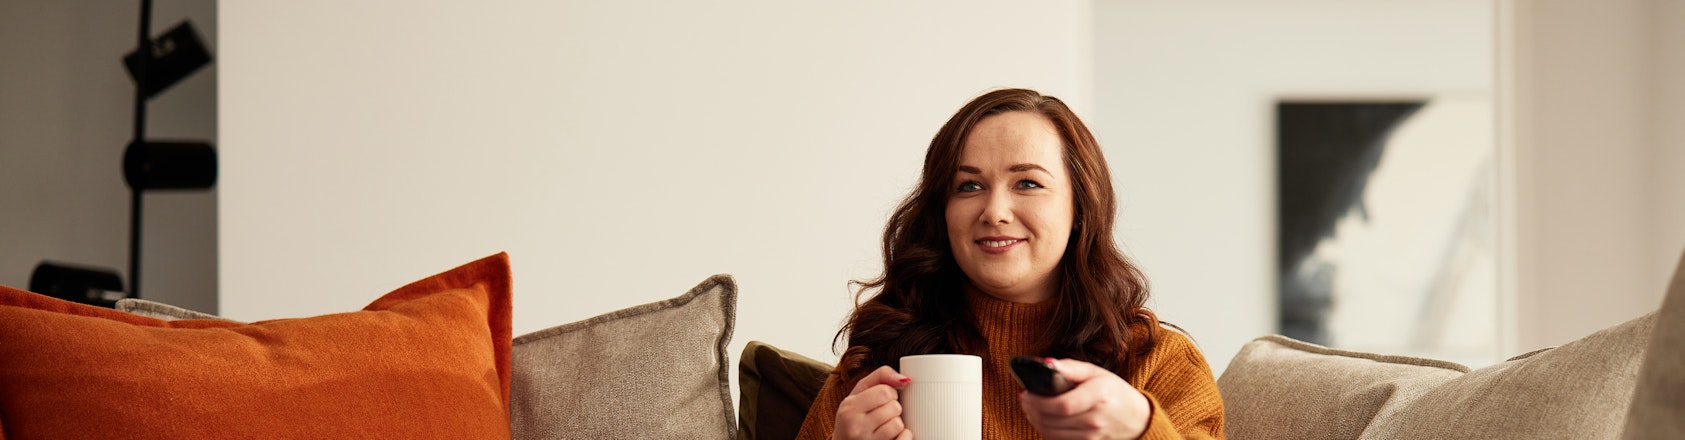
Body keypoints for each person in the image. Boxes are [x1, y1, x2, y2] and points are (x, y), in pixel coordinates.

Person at [795, 89, 1224, 440]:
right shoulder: (879, 361)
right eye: (969, 186)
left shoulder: (1156, 363)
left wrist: (1140, 430)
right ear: (942, 211)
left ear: (1080, 208)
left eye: (1028, 183)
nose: (995, 211)